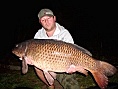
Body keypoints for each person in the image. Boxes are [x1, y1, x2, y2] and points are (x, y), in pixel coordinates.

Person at [34, 8, 92, 89]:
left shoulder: (64, 33)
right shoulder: (38, 35)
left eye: (48, 18)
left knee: (72, 87)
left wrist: (73, 68)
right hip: (46, 63)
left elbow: (74, 53)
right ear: (40, 22)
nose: (46, 22)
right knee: (36, 66)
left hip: (63, 64)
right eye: (43, 20)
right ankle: (50, 85)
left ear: (54, 18)